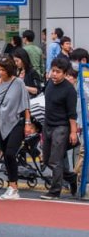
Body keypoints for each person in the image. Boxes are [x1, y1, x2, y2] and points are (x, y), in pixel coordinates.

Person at [0, 56, 34, 200]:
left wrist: (28, 124)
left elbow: (25, 104)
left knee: (11, 153)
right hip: (0, 122)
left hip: (16, 122)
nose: (0, 72)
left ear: (10, 70)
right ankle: (12, 186)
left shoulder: (18, 83)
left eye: (3, 70)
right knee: (6, 155)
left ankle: (13, 186)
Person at [40, 57, 79, 200]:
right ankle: (71, 177)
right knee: (47, 160)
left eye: (58, 72)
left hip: (61, 127)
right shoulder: (49, 83)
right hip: (47, 125)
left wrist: (73, 132)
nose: (54, 74)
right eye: (53, 71)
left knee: (55, 161)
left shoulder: (69, 90)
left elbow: (72, 114)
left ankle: (55, 191)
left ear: (65, 73)